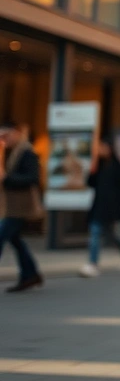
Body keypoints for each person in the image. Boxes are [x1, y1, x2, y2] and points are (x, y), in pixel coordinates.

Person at [0, 122, 44, 292]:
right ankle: (30, 274)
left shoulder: (27, 153)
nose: (4, 140)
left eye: (6, 136)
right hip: (9, 205)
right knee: (16, 240)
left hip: (21, 206)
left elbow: (32, 178)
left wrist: (7, 178)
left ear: (16, 133)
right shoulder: (8, 152)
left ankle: (30, 274)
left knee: (2, 236)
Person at [79, 137, 120, 278]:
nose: (102, 150)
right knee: (95, 233)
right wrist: (92, 171)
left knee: (113, 235)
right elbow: (90, 183)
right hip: (98, 205)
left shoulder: (116, 165)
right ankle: (93, 263)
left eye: (104, 147)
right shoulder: (98, 165)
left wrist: (115, 197)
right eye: (100, 148)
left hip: (112, 207)